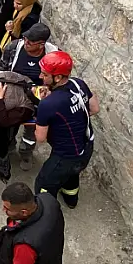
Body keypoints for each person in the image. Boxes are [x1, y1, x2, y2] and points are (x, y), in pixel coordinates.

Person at [34, 51, 98, 208]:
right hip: (86, 147)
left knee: (43, 185)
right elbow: (95, 108)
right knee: (71, 175)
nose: (41, 77)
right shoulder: (79, 84)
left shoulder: (48, 104)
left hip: (64, 157)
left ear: (58, 77)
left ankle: (47, 214)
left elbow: (40, 138)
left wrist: (42, 112)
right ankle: (71, 200)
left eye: (45, 74)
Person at [0, 23, 59, 170]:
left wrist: (48, 91)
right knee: (9, 127)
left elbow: (58, 81)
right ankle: (8, 147)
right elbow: (2, 70)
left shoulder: (53, 55)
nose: (25, 43)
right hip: (13, 100)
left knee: (31, 132)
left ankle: (26, 153)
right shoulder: (13, 48)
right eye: (25, 38)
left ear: (41, 44)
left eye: (30, 42)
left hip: (38, 104)